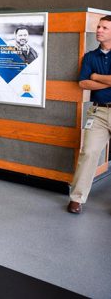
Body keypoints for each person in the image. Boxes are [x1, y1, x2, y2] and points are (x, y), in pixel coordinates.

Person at [67, 16, 111, 215]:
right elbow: (83, 83)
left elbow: (90, 79)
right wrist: (101, 80)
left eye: (105, 28)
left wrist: (95, 76)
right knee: (89, 152)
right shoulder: (90, 57)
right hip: (99, 112)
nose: (99, 30)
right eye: (99, 27)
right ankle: (76, 199)